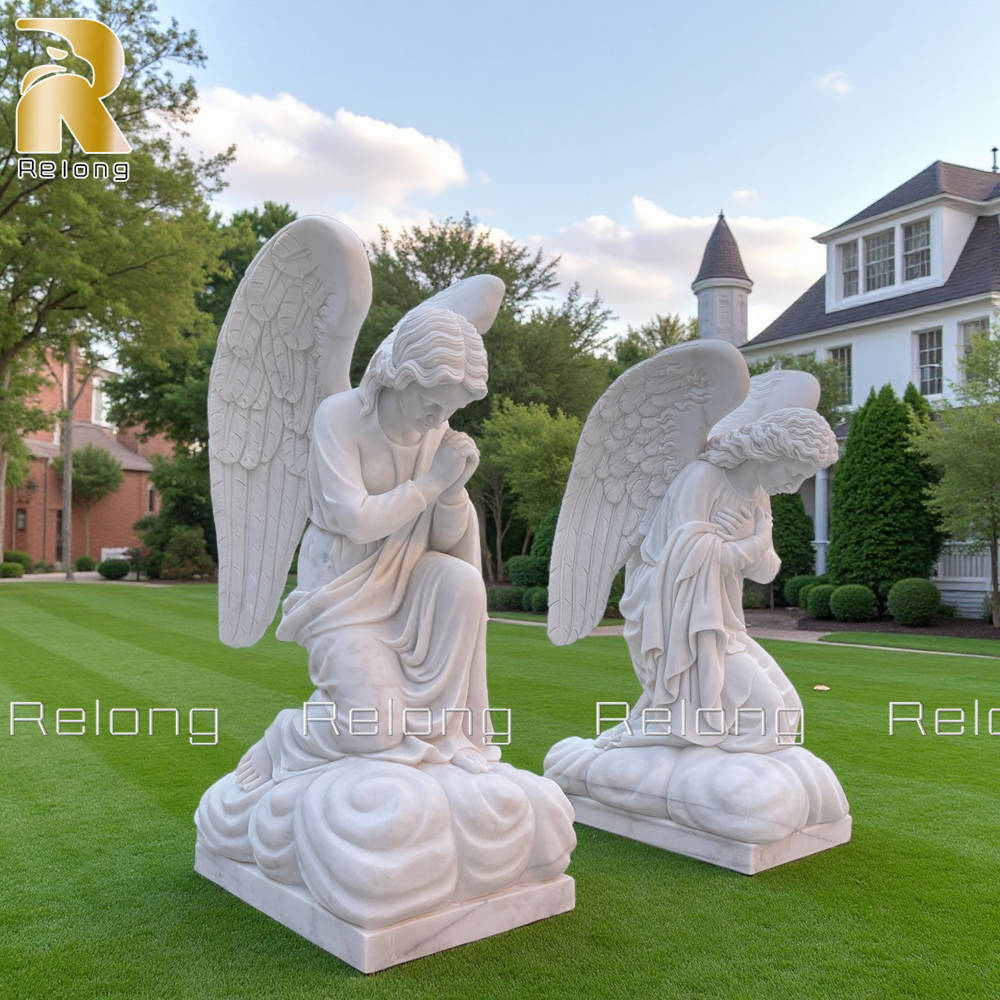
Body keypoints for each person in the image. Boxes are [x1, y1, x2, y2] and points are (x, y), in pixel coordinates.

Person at [236, 306, 499, 789]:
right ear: (401, 376)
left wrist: (453, 491)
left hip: (410, 584)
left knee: (461, 580)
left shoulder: (434, 430)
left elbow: (442, 543)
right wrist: (432, 480)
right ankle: (285, 738)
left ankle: (450, 738)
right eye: (432, 404)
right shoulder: (339, 417)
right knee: (374, 731)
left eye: (451, 410)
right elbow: (352, 520)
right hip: (344, 595)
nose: (440, 418)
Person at [611, 407, 839, 753]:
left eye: (801, 479)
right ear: (772, 450)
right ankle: (702, 765)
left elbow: (766, 571)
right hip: (679, 624)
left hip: (722, 622)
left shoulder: (759, 494)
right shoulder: (702, 479)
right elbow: (685, 563)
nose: (793, 488)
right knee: (770, 718)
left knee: (788, 712)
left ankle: (722, 770)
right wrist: (754, 541)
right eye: (793, 473)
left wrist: (751, 543)